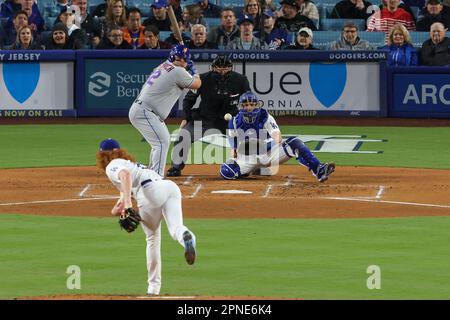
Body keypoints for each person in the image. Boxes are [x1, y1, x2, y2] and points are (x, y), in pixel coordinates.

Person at [96, 138, 197, 296]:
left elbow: (125, 175)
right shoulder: (130, 163)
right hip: (169, 187)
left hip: (148, 192)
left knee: (152, 239)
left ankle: (153, 289)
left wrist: (129, 205)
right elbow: (122, 197)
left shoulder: (112, 166)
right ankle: (186, 238)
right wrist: (120, 209)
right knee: (176, 228)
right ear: (120, 151)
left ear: (102, 155)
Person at [219, 91, 335, 182]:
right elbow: (233, 144)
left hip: (269, 153)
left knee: (295, 142)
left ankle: (318, 169)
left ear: (257, 105)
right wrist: (235, 150)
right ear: (240, 106)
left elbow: (277, 137)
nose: (249, 108)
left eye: (252, 104)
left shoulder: (265, 116)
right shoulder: (233, 122)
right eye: (245, 105)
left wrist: (261, 144)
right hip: (249, 157)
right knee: (227, 171)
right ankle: (254, 170)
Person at [167, 55, 250, 177]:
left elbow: (248, 100)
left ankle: (247, 166)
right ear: (213, 68)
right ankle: (176, 167)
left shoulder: (241, 80)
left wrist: (244, 118)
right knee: (184, 135)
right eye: (218, 68)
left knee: (248, 137)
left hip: (231, 120)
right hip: (205, 118)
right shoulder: (202, 79)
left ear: (231, 68)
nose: (222, 71)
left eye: (225, 68)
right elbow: (188, 99)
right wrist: (186, 117)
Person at [129, 45, 202, 177]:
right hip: (145, 111)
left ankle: (150, 174)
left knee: (160, 142)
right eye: (183, 59)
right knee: (161, 142)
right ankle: (155, 178)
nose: (185, 61)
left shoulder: (164, 65)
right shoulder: (177, 71)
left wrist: (187, 68)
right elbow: (197, 84)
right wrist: (194, 71)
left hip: (144, 110)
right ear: (179, 58)